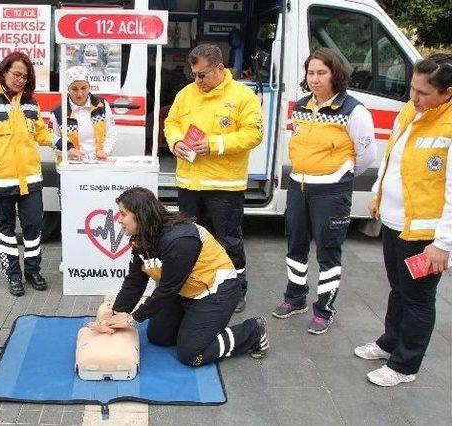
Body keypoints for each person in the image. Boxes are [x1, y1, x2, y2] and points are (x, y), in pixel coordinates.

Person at [355, 53, 452, 386]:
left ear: (447, 92)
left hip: (425, 232)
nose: (414, 97)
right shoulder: (412, 111)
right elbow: (392, 158)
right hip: (396, 222)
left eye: (423, 92)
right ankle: (389, 342)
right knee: (398, 289)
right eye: (412, 88)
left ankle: (405, 366)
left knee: (418, 299)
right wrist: (378, 196)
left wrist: (442, 243)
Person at [92, 187, 269, 367]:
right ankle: (194, 326)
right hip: (183, 292)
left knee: (191, 354)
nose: (118, 219)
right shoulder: (142, 238)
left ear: (140, 215)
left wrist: (132, 318)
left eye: (123, 214)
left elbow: (168, 289)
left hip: (217, 293)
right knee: (158, 337)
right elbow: (135, 281)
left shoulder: (180, 240)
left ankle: (253, 331)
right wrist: (114, 316)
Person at [271, 48, 377, 335]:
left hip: (331, 191)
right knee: (295, 246)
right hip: (299, 185)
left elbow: (366, 156)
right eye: (311, 73)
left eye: (322, 73)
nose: (315, 79)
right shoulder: (302, 106)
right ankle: (295, 298)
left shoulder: (353, 110)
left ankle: (324, 309)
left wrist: (340, 174)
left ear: (335, 74)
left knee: (328, 251)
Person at [164, 44, 263, 313]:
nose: (197, 81)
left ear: (220, 69)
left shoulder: (243, 96)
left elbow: (254, 134)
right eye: (193, 74)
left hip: (224, 185)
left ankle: (236, 289)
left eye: (202, 75)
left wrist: (215, 144)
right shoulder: (187, 94)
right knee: (190, 238)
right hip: (189, 183)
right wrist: (175, 143)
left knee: (228, 239)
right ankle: (194, 285)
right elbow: (171, 123)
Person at [0, 52, 57, 296]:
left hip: (30, 178)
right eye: (16, 74)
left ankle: (33, 271)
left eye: (25, 76)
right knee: (6, 230)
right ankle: (13, 275)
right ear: (4, 71)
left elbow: (40, 133)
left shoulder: (31, 102)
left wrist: (63, 144)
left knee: (33, 227)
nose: (20, 80)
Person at [49, 65, 117, 161]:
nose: (80, 94)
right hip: (71, 166)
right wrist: (69, 151)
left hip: (99, 163)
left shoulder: (102, 105)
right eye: (75, 89)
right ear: (68, 89)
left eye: (84, 88)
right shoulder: (59, 113)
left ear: (89, 87)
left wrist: (105, 151)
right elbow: (52, 140)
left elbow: (111, 133)